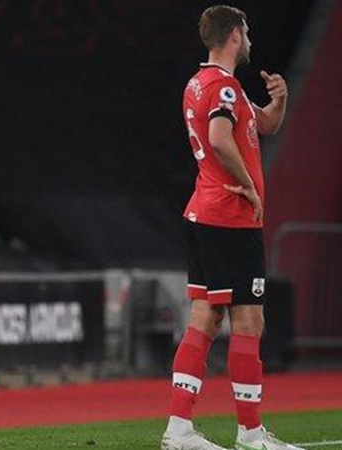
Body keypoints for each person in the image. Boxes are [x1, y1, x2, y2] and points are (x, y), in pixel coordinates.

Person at [161, 5, 300, 450]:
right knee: (249, 319)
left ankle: (178, 428)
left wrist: (280, 100)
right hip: (230, 217)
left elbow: (265, 125)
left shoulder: (203, 84)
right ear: (236, 34)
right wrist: (248, 186)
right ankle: (252, 434)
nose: (251, 39)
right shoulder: (223, 89)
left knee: (205, 315)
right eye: (248, 32)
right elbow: (220, 139)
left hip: (202, 213)